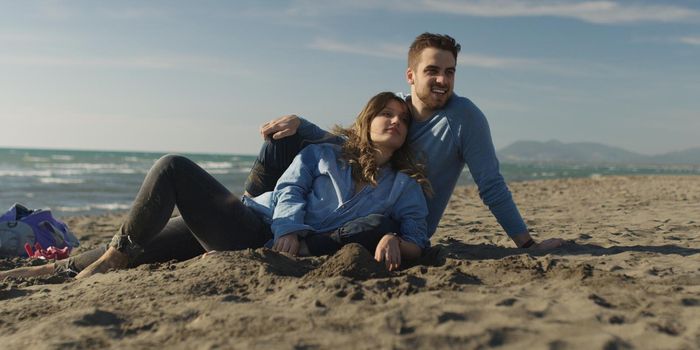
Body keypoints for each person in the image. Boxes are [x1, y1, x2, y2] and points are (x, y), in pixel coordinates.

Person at [0, 92, 431, 281]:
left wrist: (394, 237)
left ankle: (110, 257)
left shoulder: (404, 189)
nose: (395, 122)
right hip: (255, 221)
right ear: (368, 120)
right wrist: (290, 232)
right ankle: (53, 269)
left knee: (172, 167)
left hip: (252, 239)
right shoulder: (325, 154)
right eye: (386, 114)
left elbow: (419, 238)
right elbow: (290, 191)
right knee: (144, 244)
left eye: (402, 119)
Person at [251, 33, 565, 250]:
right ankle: (248, 211)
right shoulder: (394, 108)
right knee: (283, 140)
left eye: (450, 72)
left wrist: (526, 243)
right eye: (433, 71)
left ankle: (266, 231)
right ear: (411, 76)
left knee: (374, 222)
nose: (443, 80)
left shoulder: (465, 118)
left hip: (397, 219)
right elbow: (350, 144)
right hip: (356, 204)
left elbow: (491, 185)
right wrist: (301, 124)